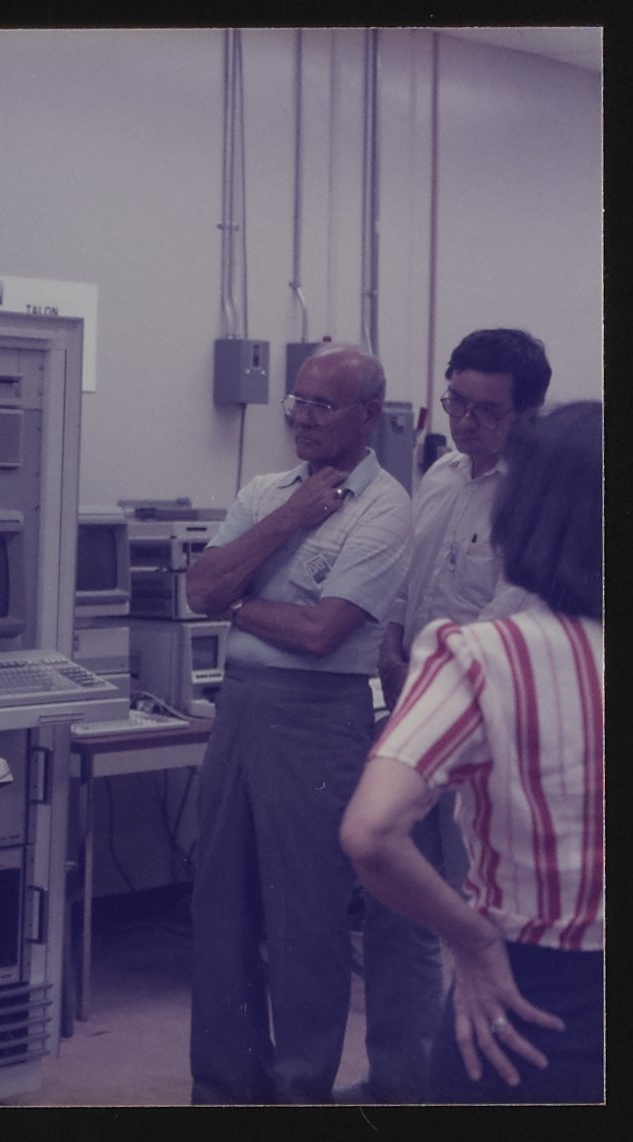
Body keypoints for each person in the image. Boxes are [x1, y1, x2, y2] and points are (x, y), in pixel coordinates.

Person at [341, 401, 603, 1103]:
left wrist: (474, 940)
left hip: (533, 998)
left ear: (525, 513)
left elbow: (371, 832)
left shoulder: (484, 656)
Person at [183, 343, 412, 1104]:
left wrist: (241, 603)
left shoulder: (386, 509)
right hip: (240, 706)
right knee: (219, 907)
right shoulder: (265, 492)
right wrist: (289, 517)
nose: (302, 420)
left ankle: (299, 1093)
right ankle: (225, 1089)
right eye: (297, 403)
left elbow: (321, 633)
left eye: (321, 405)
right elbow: (199, 589)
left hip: (318, 718)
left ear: (367, 415)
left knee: (304, 919)